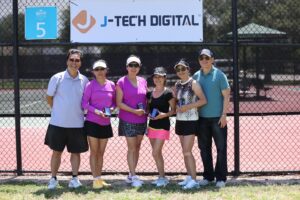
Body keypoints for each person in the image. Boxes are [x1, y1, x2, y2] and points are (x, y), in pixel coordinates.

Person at [45, 48, 89, 189]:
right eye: (72, 60)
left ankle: (74, 179)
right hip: (58, 123)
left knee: (75, 153)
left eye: (77, 60)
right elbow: (49, 97)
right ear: (67, 61)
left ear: (80, 63)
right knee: (56, 152)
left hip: (77, 124)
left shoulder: (85, 80)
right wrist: (58, 111)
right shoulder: (57, 78)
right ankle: (53, 179)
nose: (74, 63)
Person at [193, 49, 231, 188]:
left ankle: (221, 178)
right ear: (199, 60)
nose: (204, 60)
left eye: (207, 58)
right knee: (204, 148)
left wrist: (224, 115)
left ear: (212, 59)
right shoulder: (196, 76)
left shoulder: (220, 75)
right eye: (202, 58)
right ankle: (208, 176)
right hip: (201, 119)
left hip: (217, 119)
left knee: (221, 148)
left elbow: (227, 96)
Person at [81, 60, 116, 189]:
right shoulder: (90, 85)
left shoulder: (112, 85)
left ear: (106, 70)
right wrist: (96, 111)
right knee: (94, 152)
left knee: (101, 153)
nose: (100, 71)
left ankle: (99, 178)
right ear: (93, 72)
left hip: (105, 123)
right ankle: (95, 179)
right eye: (97, 69)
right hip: (92, 122)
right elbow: (84, 103)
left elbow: (114, 103)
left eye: (102, 69)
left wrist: (111, 110)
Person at [174, 59, 207, 190]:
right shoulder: (177, 84)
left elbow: (203, 100)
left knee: (187, 151)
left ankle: (194, 180)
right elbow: (178, 101)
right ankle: (189, 176)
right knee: (184, 152)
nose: (181, 71)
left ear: (188, 69)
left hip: (191, 121)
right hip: (180, 120)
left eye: (183, 69)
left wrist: (188, 107)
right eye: (178, 69)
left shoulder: (194, 83)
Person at [116, 55, 147, 187]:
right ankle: (134, 176)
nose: (133, 68)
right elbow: (119, 103)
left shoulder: (143, 81)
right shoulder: (121, 82)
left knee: (137, 147)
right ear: (127, 67)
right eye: (131, 65)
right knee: (132, 148)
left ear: (139, 68)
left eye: (136, 65)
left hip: (142, 119)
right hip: (127, 119)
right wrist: (134, 111)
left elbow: (146, 99)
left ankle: (131, 174)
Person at [147, 67, 176, 187]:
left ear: (164, 78)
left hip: (163, 126)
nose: (157, 79)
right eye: (155, 77)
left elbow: (173, 110)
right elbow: (148, 108)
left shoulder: (168, 93)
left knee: (155, 152)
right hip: (152, 126)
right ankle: (161, 176)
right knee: (157, 154)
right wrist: (148, 113)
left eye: (160, 76)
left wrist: (163, 115)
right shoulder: (149, 93)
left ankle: (163, 177)